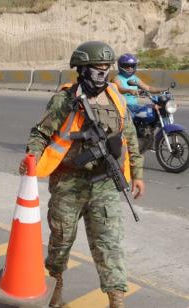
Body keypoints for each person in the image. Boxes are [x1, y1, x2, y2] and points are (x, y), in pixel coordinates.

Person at [20, 41, 145, 308]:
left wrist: (138, 174)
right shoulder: (65, 99)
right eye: (96, 67)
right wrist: (31, 157)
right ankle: (56, 284)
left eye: (106, 67)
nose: (102, 72)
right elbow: (40, 133)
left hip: (104, 185)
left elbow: (130, 138)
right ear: (82, 69)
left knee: (109, 243)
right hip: (69, 181)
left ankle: (117, 299)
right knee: (61, 240)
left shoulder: (116, 98)